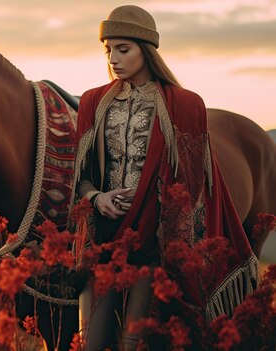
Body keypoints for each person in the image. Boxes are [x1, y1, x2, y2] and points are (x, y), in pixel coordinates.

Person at [71, 5, 258, 350]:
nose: (113, 58)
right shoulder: (92, 103)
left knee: (133, 343)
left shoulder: (185, 106)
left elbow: (193, 191)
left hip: (154, 244)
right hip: (103, 242)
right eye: (108, 49)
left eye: (123, 49)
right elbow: (80, 180)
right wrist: (98, 198)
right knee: (90, 343)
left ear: (147, 50)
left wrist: (163, 230)